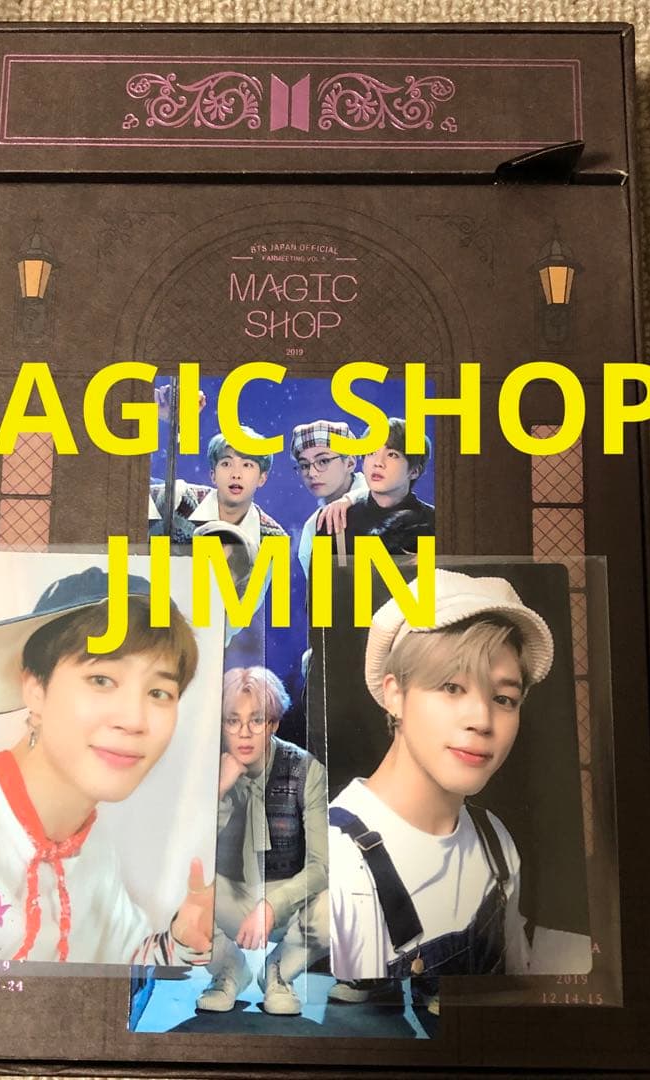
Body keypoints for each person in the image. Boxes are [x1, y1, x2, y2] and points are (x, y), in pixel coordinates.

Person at [0, 566, 215, 966]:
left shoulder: (94, 852)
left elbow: (127, 968)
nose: (134, 719)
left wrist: (181, 942)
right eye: (102, 680)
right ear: (35, 688)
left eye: (159, 692)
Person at [329, 569, 553, 994]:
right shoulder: (339, 862)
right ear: (395, 694)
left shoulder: (494, 839)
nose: (482, 720)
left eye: (503, 698)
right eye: (452, 687)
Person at [197, 667, 329, 1016]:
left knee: (339, 905)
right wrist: (218, 792)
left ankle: (278, 973)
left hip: (286, 896)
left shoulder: (306, 769)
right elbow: (184, 857)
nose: (244, 733)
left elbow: (322, 865)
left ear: (273, 724)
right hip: (228, 895)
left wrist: (273, 905)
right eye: (233, 721)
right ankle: (228, 969)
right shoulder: (205, 767)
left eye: (256, 720)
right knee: (171, 890)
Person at [315, 417, 433, 557]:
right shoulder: (335, 518)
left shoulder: (436, 523)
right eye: (371, 453)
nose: (378, 463)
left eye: (392, 454)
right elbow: (319, 571)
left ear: (414, 471)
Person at [151, 426, 286, 546]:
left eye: (247, 465)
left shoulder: (272, 537)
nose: (236, 474)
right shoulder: (179, 499)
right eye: (226, 464)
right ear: (213, 475)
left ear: (262, 478)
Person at [289, 419, 367, 578]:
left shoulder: (383, 498)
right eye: (304, 465)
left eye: (323, 461)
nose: (312, 473)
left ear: (350, 463)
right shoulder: (312, 528)